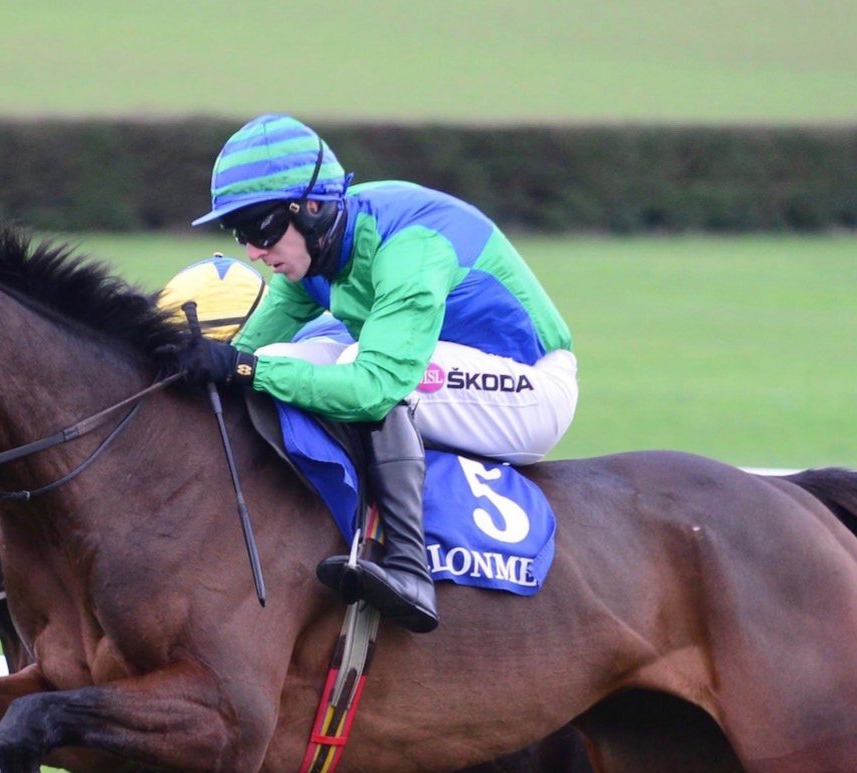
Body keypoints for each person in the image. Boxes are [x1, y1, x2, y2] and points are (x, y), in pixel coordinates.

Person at [176, 114, 577, 634]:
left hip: (531, 388)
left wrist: (246, 368)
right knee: (285, 355)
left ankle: (410, 569)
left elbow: (373, 388)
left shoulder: (409, 249)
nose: (253, 251)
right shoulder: (315, 250)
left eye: (260, 228)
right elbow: (248, 351)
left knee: (350, 370)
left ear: (312, 208)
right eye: (239, 233)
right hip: (447, 364)